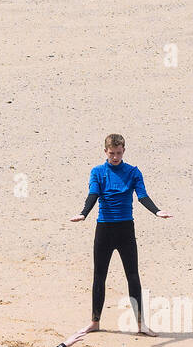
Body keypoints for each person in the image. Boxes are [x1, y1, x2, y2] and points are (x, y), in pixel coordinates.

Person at [70, 133, 170, 336]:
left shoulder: (133, 172)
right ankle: (95, 321)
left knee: (133, 276)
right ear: (105, 152)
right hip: (104, 229)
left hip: (125, 229)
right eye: (111, 153)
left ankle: (141, 324)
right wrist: (83, 214)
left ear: (124, 150)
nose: (115, 157)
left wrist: (157, 211)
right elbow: (93, 195)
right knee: (99, 276)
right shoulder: (97, 172)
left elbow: (142, 196)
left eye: (118, 153)